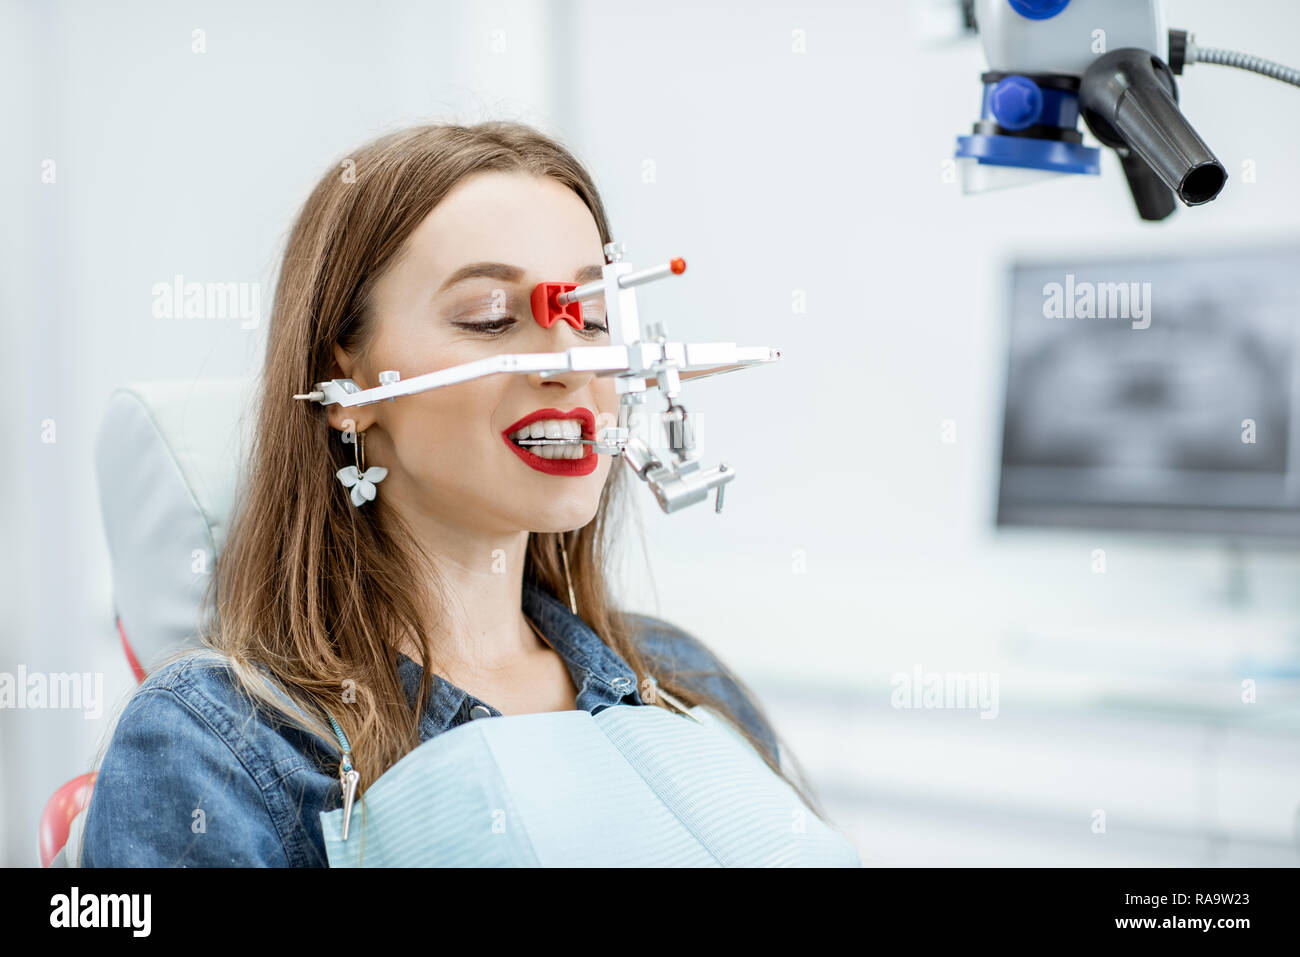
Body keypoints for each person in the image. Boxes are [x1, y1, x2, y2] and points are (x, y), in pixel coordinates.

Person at [78, 120, 838, 866]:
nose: (570, 365)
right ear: (348, 386)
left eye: (597, 316)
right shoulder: (215, 745)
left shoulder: (682, 677)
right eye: (490, 318)